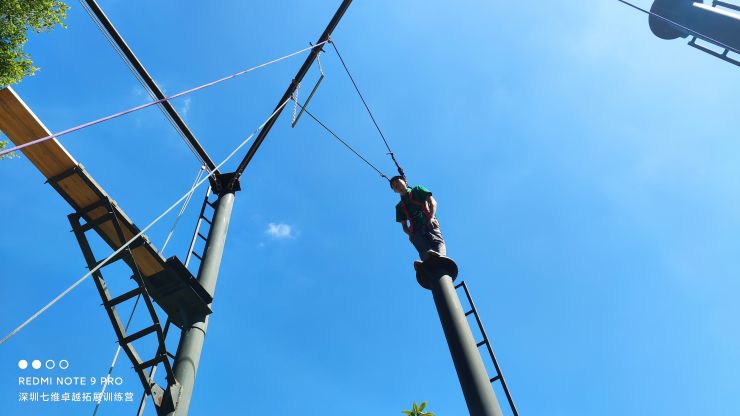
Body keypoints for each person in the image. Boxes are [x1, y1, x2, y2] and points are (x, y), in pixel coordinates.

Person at [390, 175, 447, 261]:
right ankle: (427, 264)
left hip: (428, 221)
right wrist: (410, 234)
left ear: (405, 182)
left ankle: (441, 257)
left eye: (397, 181)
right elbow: (404, 226)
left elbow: (433, 202)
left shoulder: (417, 189)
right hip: (416, 229)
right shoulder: (399, 207)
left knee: (436, 240)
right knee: (421, 247)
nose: (396, 185)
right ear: (394, 191)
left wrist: (431, 217)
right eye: (393, 185)